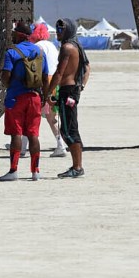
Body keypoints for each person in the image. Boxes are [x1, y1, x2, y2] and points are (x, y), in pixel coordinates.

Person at [0, 22, 49, 181]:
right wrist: (44, 97)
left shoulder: (12, 52)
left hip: (16, 98)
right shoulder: (40, 52)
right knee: (33, 135)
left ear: (19, 35)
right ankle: (35, 171)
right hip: (34, 97)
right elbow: (45, 78)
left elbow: (6, 75)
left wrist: (10, 87)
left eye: (14, 33)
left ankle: (13, 171)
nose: (12, 35)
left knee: (16, 134)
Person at [52, 18, 91, 178]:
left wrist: (49, 92)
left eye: (61, 29)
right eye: (57, 28)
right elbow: (87, 67)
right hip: (72, 91)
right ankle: (77, 166)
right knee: (67, 128)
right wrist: (80, 86)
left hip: (68, 91)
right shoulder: (76, 46)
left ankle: (77, 167)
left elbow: (59, 73)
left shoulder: (68, 47)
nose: (58, 32)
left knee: (69, 130)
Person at [29, 22, 67, 158]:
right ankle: (60, 144)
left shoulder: (37, 47)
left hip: (45, 82)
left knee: (36, 115)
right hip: (56, 82)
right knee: (51, 115)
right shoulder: (51, 45)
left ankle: (60, 145)